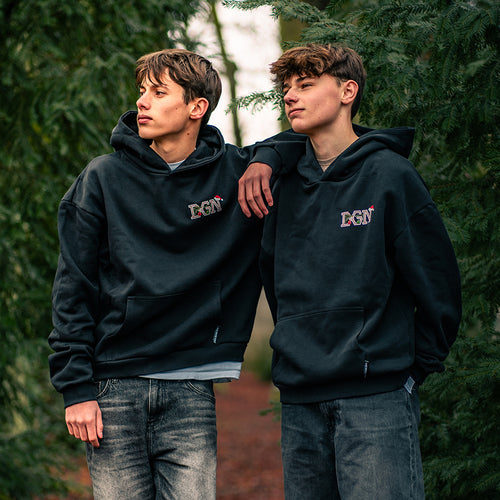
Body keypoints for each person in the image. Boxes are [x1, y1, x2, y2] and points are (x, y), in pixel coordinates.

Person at [48, 48, 298, 500]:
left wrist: (266, 159)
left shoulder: (236, 175)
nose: (141, 101)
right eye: (142, 90)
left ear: (196, 107)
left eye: (159, 92)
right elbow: (73, 288)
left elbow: (312, 138)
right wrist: (76, 389)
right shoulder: (102, 179)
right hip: (113, 385)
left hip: (191, 385)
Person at [240, 44, 462, 499]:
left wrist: (406, 371)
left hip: (376, 399)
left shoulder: (389, 175)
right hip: (300, 400)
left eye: (306, 85)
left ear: (347, 91)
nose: (290, 96)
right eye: (287, 88)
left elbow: (438, 284)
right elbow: (275, 282)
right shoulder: (280, 185)